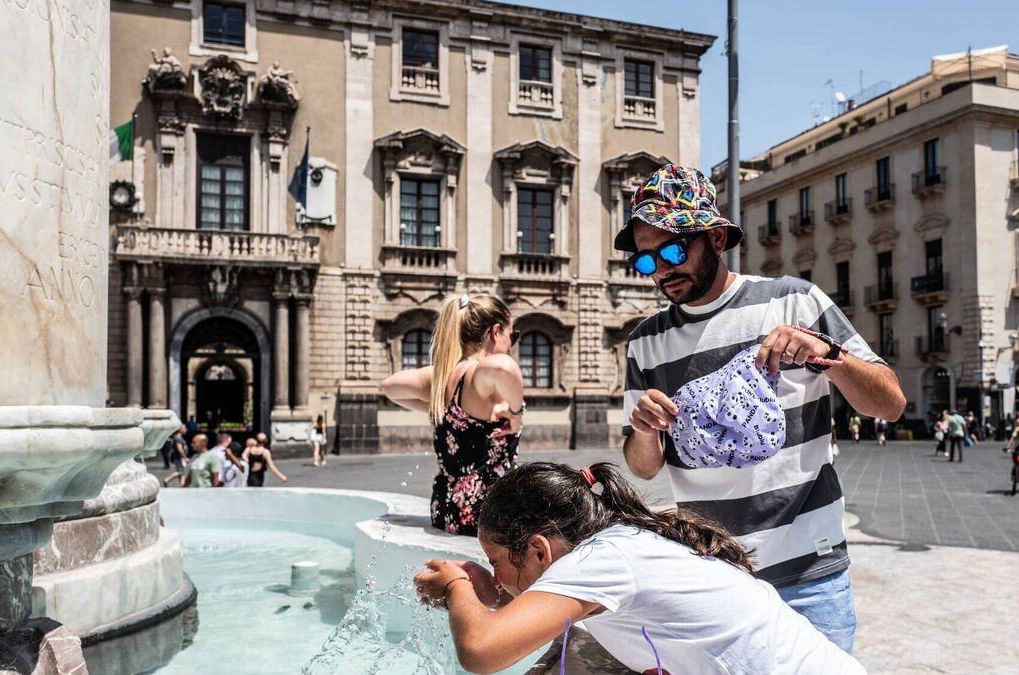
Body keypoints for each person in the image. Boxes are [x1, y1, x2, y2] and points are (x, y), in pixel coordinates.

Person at [615, 164, 904, 653]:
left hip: (810, 577)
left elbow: (890, 403)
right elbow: (643, 468)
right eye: (646, 260)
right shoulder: (646, 342)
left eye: (673, 251)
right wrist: (644, 430)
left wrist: (826, 353)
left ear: (716, 238)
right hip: (715, 577)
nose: (662, 271)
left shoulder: (795, 301)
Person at [413, 462, 865, 674]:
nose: (494, 575)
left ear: (538, 551)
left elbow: (482, 651)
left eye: (496, 562)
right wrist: (491, 592)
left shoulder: (600, 562)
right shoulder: (618, 546)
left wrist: (456, 585)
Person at [381, 293, 524, 536]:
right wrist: (516, 414)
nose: (511, 345)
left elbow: (389, 386)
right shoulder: (479, 377)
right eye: (513, 336)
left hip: (445, 507)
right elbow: (503, 367)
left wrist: (436, 406)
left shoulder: (441, 377)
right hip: (487, 513)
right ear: (495, 331)